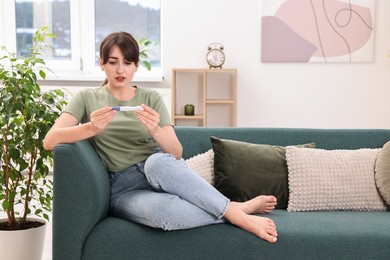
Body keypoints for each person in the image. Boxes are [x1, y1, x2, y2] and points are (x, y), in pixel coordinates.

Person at [43, 31, 278, 243]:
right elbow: (49, 141)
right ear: (101, 63)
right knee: (166, 216)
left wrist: (155, 130)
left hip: (160, 170)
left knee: (156, 162)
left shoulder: (151, 98)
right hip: (124, 189)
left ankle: (235, 214)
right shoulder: (86, 98)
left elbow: (176, 153)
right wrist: (91, 128)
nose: (120, 70)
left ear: (136, 65)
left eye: (127, 62)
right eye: (113, 62)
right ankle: (233, 210)